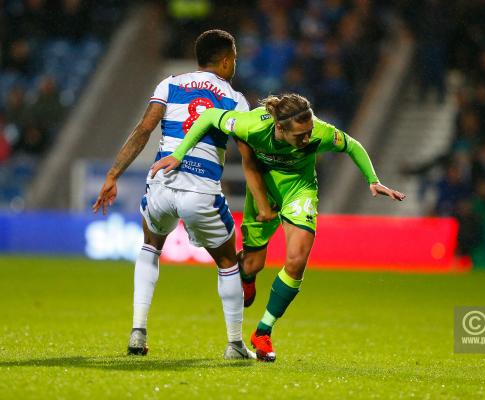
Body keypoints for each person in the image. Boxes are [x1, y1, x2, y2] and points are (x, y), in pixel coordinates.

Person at [151, 93, 406, 361]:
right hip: (264, 190)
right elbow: (209, 116)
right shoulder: (252, 125)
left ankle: (263, 331)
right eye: (300, 135)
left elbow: (352, 145)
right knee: (252, 265)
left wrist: (372, 180)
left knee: (296, 261)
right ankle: (247, 277)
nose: (307, 139)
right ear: (279, 128)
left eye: (308, 132)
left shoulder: (320, 132)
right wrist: (179, 154)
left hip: (300, 190)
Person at [92, 29, 266, 360]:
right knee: (229, 262)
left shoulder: (169, 83)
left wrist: (113, 174)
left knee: (150, 247)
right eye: (236, 60)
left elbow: (144, 130)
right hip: (201, 191)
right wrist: (264, 201)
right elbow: (249, 158)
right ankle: (234, 344)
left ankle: (138, 331)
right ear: (227, 61)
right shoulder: (235, 100)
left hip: (161, 183)